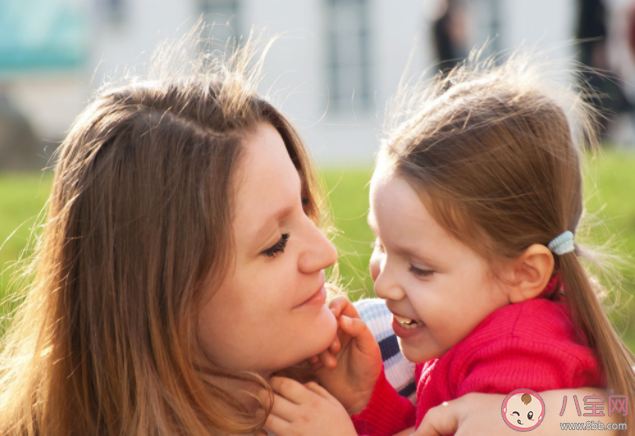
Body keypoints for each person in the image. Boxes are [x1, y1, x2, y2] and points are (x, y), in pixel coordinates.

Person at [0, 33, 622, 435]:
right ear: (159, 297)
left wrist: (550, 415)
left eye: (304, 205)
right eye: (274, 243)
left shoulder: (394, 340)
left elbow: (603, 402)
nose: (328, 253)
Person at [262, 51, 633, 435]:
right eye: (382, 245)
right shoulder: (474, 325)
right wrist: (366, 401)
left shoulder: (518, 355)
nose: (383, 284)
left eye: (420, 268)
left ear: (524, 274)